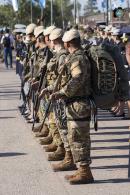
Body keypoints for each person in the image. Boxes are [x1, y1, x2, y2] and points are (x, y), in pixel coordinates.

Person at [48, 29, 94, 184]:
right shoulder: (76, 56)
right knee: (75, 137)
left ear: (67, 43)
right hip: (76, 104)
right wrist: (53, 90)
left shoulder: (78, 58)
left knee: (80, 139)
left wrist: (62, 92)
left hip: (79, 104)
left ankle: (85, 172)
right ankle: (81, 170)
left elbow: (78, 78)